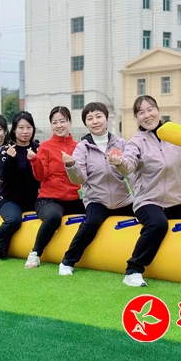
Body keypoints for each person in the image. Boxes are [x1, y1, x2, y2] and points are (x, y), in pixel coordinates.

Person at [109, 95, 181, 287]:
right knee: (158, 224)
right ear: (136, 118)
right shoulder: (136, 142)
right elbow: (128, 165)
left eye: (150, 109)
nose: (147, 115)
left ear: (158, 110)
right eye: (141, 112)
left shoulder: (175, 135)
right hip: (148, 201)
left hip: (176, 202)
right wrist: (119, 162)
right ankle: (133, 270)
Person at [59, 102, 135, 276]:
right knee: (90, 224)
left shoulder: (121, 143)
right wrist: (71, 165)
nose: (95, 121)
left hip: (123, 199)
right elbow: (79, 179)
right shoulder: (82, 148)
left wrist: (140, 196)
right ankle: (67, 261)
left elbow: (131, 173)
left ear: (106, 119)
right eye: (90, 118)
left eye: (98, 116)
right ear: (86, 123)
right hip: (97, 200)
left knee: (149, 216)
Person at [24, 106, 84, 269]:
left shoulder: (79, 147)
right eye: (54, 122)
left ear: (70, 123)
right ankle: (35, 253)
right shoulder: (45, 146)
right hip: (48, 199)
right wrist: (34, 160)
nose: (59, 125)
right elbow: (40, 176)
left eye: (62, 121)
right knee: (53, 217)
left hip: (73, 199)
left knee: (96, 213)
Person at [0, 112, 40, 261]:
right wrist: (10, 159)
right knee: (13, 220)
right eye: (21, 127)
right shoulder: (7, 150)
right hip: (10, 199)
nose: (25, 131)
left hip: (33, 199)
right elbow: (3, 176)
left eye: (29, 127)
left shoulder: (38, 148)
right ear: (14, 129)